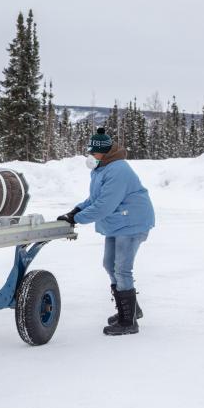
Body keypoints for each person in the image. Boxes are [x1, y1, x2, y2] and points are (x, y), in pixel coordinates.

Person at [58, 128, 155, 336]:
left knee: (121, 268)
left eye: (94, 153)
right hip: (119, 221)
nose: (90, 156)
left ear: (104, 153)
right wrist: (75, 211)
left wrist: (77, 219)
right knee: (109, 264)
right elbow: (94, 199)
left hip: (132, 221)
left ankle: (128, 322)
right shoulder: (102, 168)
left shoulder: (118, 170)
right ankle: (130, 310)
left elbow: (104, 205)